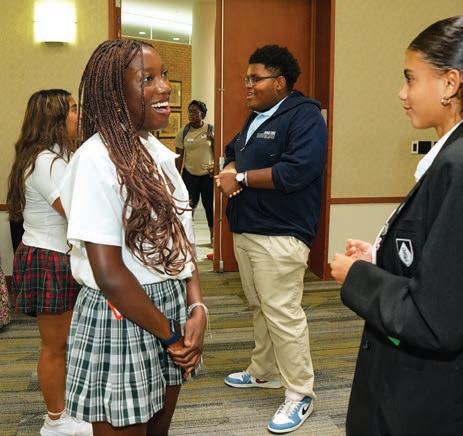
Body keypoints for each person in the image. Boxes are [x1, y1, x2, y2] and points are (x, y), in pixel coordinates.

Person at [330, 16, 463, 435]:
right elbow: (450, 267)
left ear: (449, 83)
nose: (402, 92)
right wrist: (380, 259)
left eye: (410, 79)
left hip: (439, 404)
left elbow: (437, 320)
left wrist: (357, 277)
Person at [59, 39, 207, 435]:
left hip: (170, 305)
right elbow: (108, 274)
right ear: (114, 93)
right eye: (148, 79)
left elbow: (182, 242)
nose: (165, 87)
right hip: (123, 314)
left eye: (164, 76)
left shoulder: (156, 153)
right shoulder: (95, 160)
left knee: (158, 430)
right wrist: (170, 334)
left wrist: (197, 306)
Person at [216, 44, 327, 434]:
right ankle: (264, 371)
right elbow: (232, 151)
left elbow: (297, 171)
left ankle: (300, 393)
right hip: (247, 228)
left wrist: (240, 178)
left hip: (280, 234)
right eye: (246, 78)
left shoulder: (305, 116)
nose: (247, 85)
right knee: (259, 306)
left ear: (280, 82)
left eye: (255, 78)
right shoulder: (257, 117)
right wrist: (230, 169)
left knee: (282, 313)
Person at [6, 89, 92, 435]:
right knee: (55, 346)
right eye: (72, 109)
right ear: (54, 118)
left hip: (56, 255)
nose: (78, 114)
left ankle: (65, 410)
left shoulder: (59, 156)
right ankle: (55, 421)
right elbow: (77, 212)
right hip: (49, 258)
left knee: (66, 342)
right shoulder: (46, 162)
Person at [175, 100, 215, 240]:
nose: (191, 114)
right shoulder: (183, 132)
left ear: (202, 114)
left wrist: (216, 168)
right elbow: (179, 156)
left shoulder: (210, 129)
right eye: (189, 112)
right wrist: (176, 176)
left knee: (209, 206)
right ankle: (187, 236)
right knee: (188, 206)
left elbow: (218, 152)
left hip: (207, 175)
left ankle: (213, 237)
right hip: (189, 174)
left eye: (194, 112)